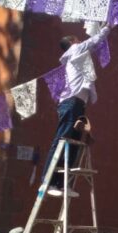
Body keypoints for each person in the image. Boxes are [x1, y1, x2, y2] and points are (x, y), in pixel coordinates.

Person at [39, 23, 110, 197]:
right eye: (78, 40)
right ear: (72, 42)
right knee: (62, 140)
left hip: (78, 104)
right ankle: (47, 182)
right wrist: (109, 26)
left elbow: (93, 45)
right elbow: (94, 41)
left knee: (73, 144)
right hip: (71, 103)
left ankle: (62, 184)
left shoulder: (78, 55)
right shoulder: (75, 49)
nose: (80, 41)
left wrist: (100, 29)